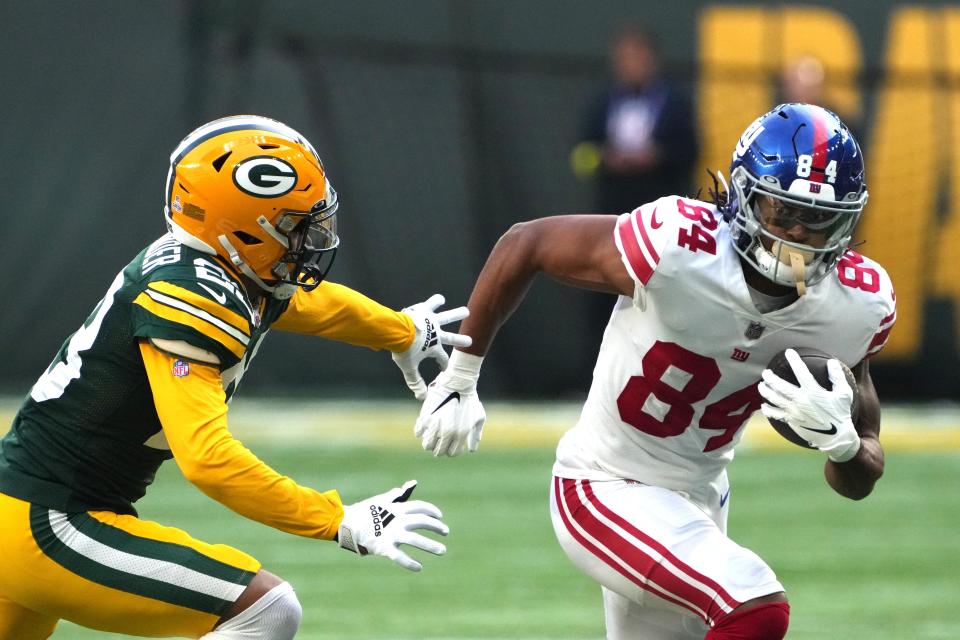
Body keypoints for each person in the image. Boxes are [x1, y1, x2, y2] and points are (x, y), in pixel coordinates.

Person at [415, 103, 895, 639]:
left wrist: (845, 445)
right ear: (744, 196)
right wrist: (462, 372)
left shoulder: (856, 305)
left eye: (818, 221)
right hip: (604, 483)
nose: (797, 237)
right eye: (783, 214)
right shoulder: (679, 247)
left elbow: (858, 479)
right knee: (754, 603)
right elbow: (526, 243)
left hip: (700, 495)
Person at [0, 115, 469, 639]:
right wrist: (335, 519)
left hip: (30, 512)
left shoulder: (214, 265)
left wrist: (400, 330)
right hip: (51, 521)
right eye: (294, 225)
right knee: (266, 609)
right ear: (244, 225)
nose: (309, 239)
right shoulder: (191, 297)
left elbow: (302, 304)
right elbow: (208, 460)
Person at [570, 24, 700, 390]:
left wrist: (655, 158)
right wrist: (607, 158)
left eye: (637, 56)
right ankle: (594, 381)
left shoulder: (675, 102)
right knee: (604, 296)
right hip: (611, 217)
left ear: (652, 59)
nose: (630, 64)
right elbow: (581, 155)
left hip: (659, 220)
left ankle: (664, 384)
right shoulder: (602, 103)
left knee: (662, 298)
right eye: (624, 57)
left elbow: (690, 150)